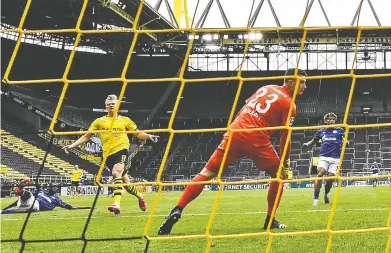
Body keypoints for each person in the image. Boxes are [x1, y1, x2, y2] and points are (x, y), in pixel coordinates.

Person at [158, 69, 307, 235]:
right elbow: (285, 136)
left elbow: (243, 109)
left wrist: (234, 128)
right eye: (302, 82)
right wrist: (285, 162)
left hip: (235, 132)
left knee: (206, 173)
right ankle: (270, 220)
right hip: (256, 138)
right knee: (278, 177)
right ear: (291, 82)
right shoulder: (290, 104)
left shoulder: (266, 87)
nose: (305, 86)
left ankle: (178, 208)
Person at [62, 94, 159, 215]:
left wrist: (149, 136)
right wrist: (72, 145)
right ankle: (140, 196)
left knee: (115, 173)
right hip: (107, 155)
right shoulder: (99, 122)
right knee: (127, 184)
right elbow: (87, 136)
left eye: (113, 104)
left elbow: (138, 134)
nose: (111, 106)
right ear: (105, 107)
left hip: (122, 150)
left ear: (118, 105)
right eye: (108, 104)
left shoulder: (125, 120)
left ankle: (116, 203)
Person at [303, 112, 345, 206]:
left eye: (332, 119)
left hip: (335, 159)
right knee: (320, 174)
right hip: (324, 157)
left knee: (330, 178)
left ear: (335, 121)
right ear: (326, 121)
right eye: (329, 119)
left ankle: (326, 194)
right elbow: (314, 140)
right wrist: (307, 144)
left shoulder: (340, 130)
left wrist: (347, 142)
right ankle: (316, 199)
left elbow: (344, 139)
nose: (331, 121)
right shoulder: (321, 131)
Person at [1, 189, 90, 214]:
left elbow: (70, 207)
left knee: (24, 207)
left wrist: (86, 207)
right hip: (34, 202)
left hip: (37, 205)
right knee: (26, 195)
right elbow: (71, 207)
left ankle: (3, 211)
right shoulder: (56, 199)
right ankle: (19, 191)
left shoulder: (56, 199)